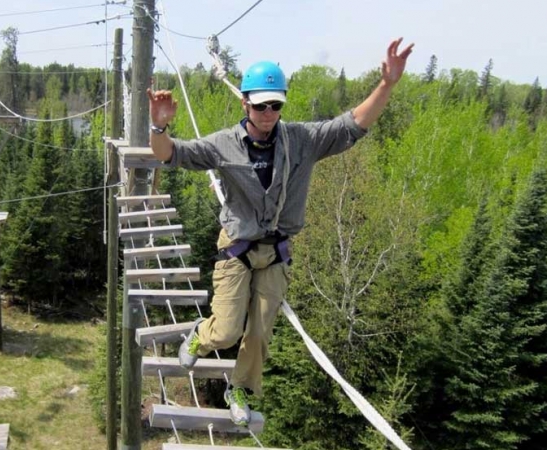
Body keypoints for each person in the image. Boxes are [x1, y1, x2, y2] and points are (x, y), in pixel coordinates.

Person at [146, 38, 414, 426]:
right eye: (261, 105)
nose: (269, 113)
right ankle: (200, 335)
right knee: (226, 331)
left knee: (258, 334)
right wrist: (159, 126)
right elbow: (169, 153)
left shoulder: (301, 141)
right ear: (245, 104)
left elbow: (352, 125)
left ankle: (239, 388)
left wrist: (386, 85)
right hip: (237, 249)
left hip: (275, 253)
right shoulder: (223, 145)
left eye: (276, 105)